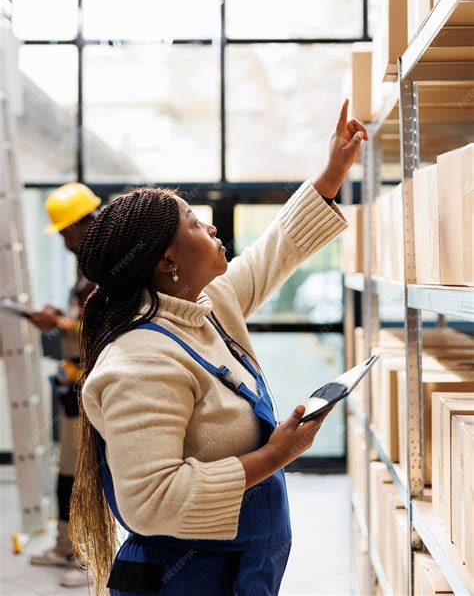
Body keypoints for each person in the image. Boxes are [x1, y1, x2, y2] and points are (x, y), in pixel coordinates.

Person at [70, 100, 368, 596]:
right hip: (183, 577)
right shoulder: (138, 363)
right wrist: (276, 454)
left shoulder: (207, 306)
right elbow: (151, 500)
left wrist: (334, 168)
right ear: (168, 260)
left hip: (237, 570)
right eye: (194, 223)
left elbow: (280, 247)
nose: (211, 227)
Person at [29, 182, 100, 589]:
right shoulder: (87, 266)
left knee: (86, 471)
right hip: (74, 380)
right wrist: (61, 318)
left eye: (64, 230)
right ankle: (66, 546)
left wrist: (58, 324)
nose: (61, 239)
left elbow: (94, 326)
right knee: (68, 469)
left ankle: (89, 555)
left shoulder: (103, 266)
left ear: (81, 224)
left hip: (90, 383)